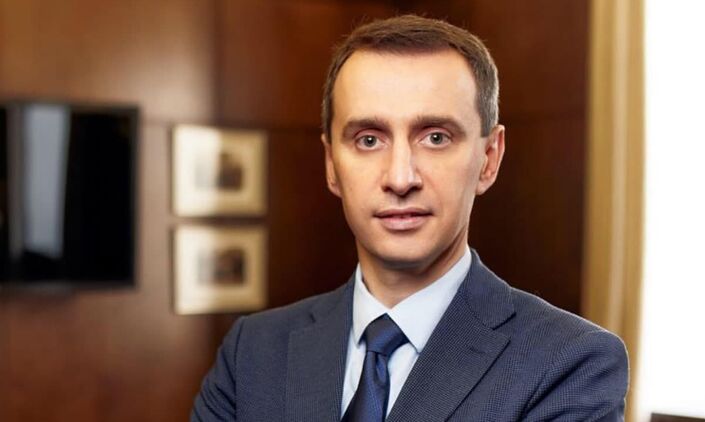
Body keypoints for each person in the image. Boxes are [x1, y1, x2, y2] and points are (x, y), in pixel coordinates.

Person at [191, 15, 628, 422]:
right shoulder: (252, 353)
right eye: (368, 140)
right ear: (331, 164)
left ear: (489, 159)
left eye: (435, 137)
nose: (400, 178)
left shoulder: (570, 363)